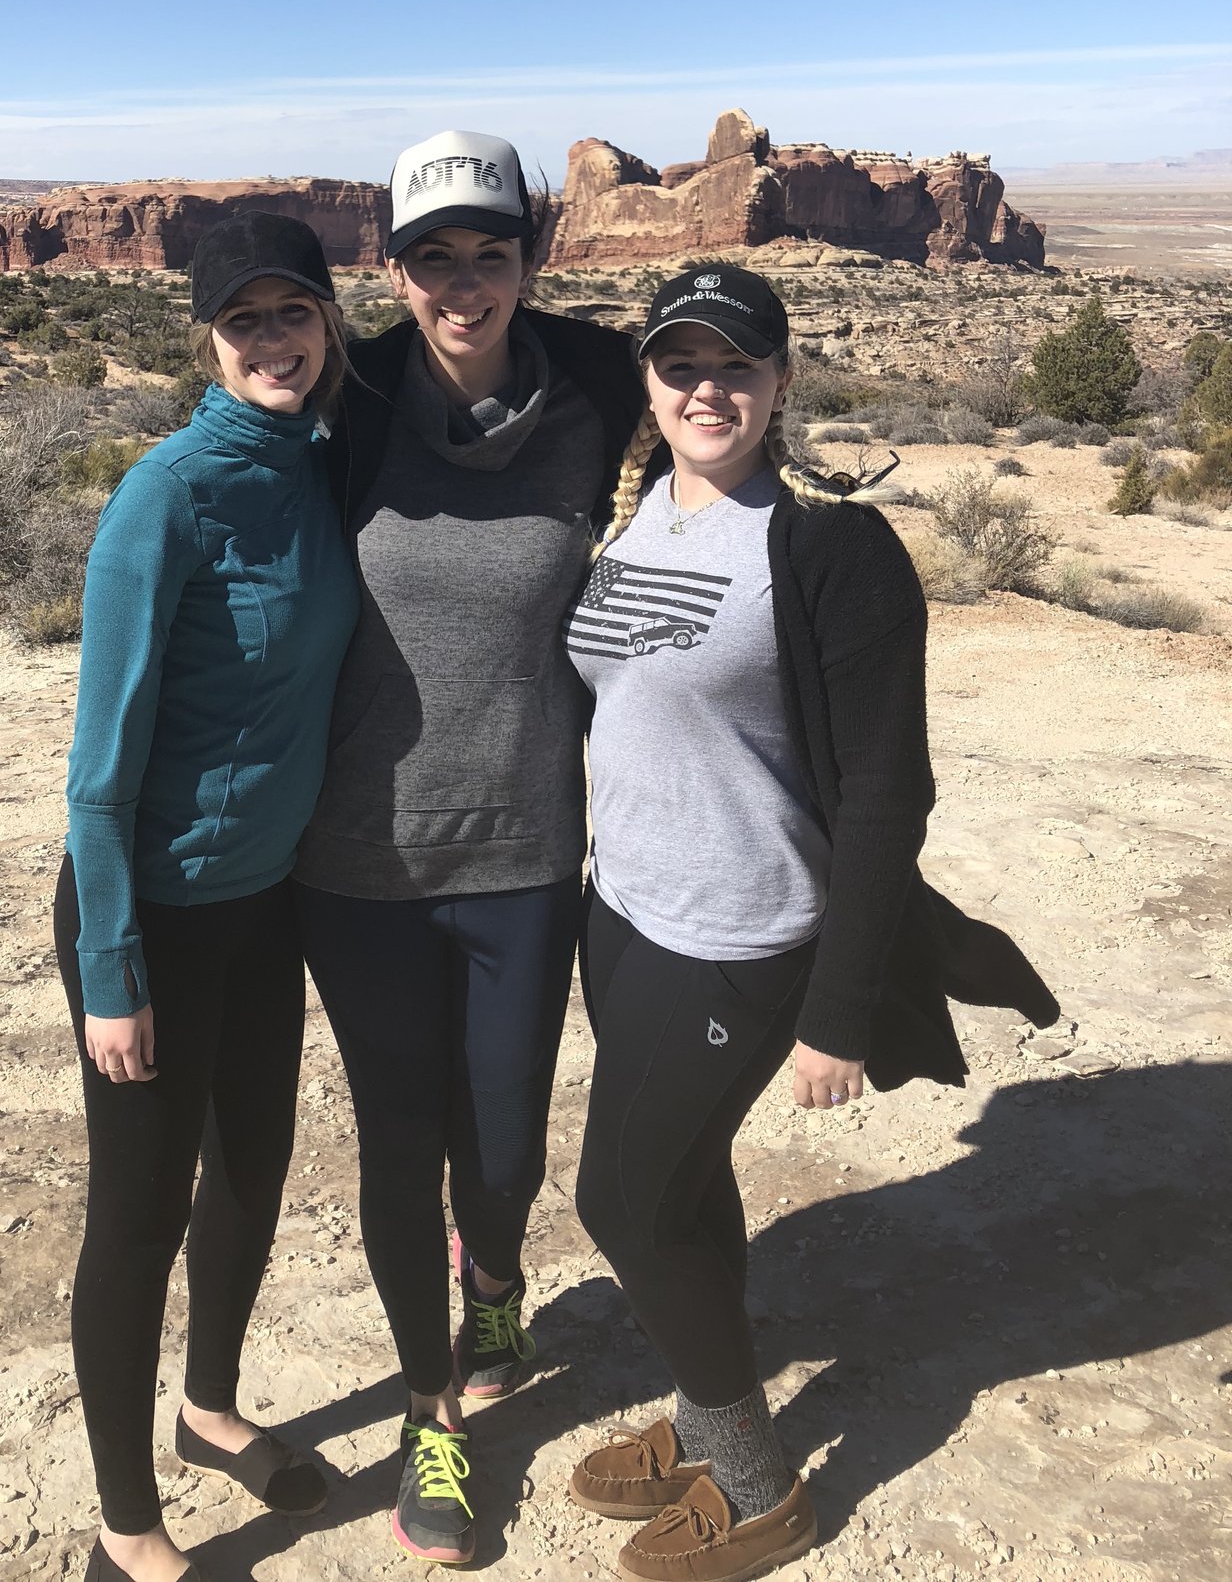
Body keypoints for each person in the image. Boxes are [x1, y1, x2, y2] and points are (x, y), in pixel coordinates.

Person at [562, 263, 1059, 1582]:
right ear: (651, 383)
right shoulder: (640, 516)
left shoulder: (829, 547)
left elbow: (894, 791)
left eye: (737, 365)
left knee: (619, 1196)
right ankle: (697, 1411)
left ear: (781, 382)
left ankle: (756, 1477)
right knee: (685, 1184)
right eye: (680, 364)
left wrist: (837, 1010)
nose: (706, 388)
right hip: (624, 917)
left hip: (749, 934)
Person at [292, 131, 644, 1565]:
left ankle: (492, 1272)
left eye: (488, 252)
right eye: (431, 255)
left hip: (521, 846)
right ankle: (433, 1417)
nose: (462, 282)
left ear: (531, 257)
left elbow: (714, 447)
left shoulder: (600, 382)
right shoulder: (351, 392)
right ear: (394, 266)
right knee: (399, 1139)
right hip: (358, 858)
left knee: (501, 1141)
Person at [53, 215, 360, 1582]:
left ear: (328, 322)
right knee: (140, 1210)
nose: (275, 339)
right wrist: (113, 968)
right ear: (208, 337)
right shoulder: (162, 495)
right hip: (151, 913)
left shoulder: (324, 465)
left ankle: (210, 1407)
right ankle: (129, 1527)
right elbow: (98, 775)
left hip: (267, 898)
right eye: (246, 320)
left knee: (252, 1169)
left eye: (296, 311)